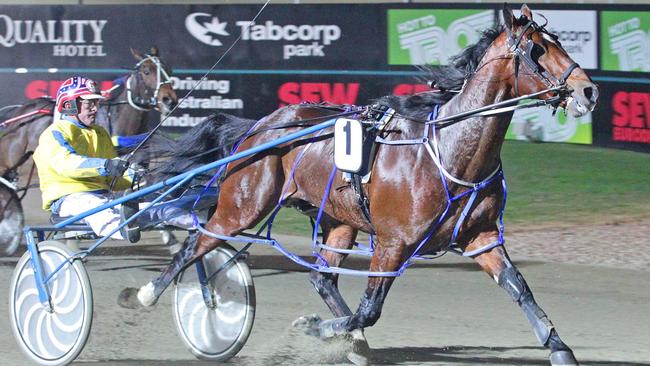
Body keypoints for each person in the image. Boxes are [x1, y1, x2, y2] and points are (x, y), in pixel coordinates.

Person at [33, 76, 192, 243]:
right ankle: (123, 226)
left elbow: (113, 180)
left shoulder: (100, 133)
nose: (95, 109)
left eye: (96, 103)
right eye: (89, 104)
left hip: (104, 199)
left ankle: (202, 225)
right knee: (93, 206)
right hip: (69, 200)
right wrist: (106, 165)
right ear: (69, 105)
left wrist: (136, 176)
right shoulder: (55, 132)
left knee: (160, 208)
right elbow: (67, 164)